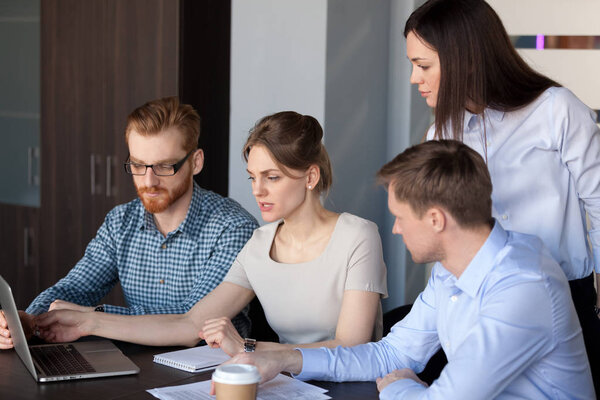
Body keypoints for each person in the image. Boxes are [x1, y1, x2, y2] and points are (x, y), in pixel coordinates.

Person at [225, 140, 595, 399]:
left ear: (435, 219)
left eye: (401, 217)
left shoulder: (523, 285)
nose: (396, 229)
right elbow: (391, 355)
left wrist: (399, 387)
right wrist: (284, 359)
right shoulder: (451, 272)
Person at [34, 111, 388, 353]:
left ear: (310, 177)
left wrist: (252, 348)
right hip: (285, 382)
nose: (257, 191)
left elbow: (351, 349)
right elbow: (191, 326)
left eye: (272, 177)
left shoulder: (358, 235)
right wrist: (86, 324)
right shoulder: (259, 244)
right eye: (253, 177)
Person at [404, 0, 600, 390]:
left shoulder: (555, 110)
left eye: (423, 65)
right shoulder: (440, 136)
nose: (414, 78)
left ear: (467, 59)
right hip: (479, 301)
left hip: (564, 303)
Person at [0, 97, 257, 349]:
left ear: (195, 162)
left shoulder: (233, 228)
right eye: (138, 165)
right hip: (135, 367)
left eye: (165, 166)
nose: (148, 181)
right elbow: (75, 288)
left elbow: (193, 323)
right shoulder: (120, 222)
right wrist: (28, 321)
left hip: (207, 376)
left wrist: (93, 316)